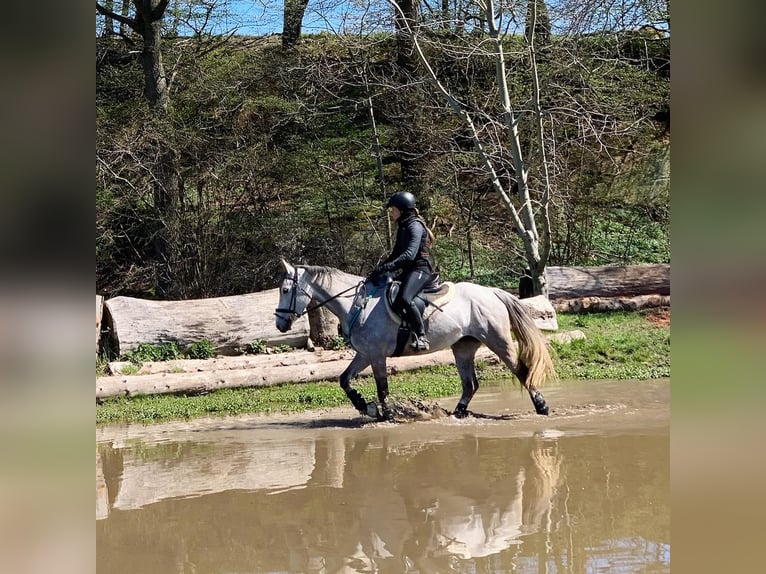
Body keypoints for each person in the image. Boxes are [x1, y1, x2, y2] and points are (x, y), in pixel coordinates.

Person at [374, 191, 436, 352]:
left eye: (393, 210)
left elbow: (409, 255)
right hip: (410, 269)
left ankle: (422, 336)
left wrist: (388, 267)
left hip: (421, 268)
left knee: (404, 297)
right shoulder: (403, 227)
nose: (391, 213)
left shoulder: (414, 225)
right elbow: (395, 253)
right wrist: (379, 269)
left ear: (401, 210)